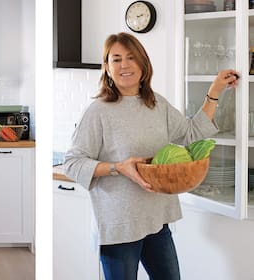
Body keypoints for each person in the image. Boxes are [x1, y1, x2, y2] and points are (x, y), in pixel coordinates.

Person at [63, 32, 239, 280]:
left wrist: (215, 91)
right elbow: (72, 162)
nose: (124, 65)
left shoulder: (157, 104)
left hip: (156, 219)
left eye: (131, 58)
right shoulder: (98, 111)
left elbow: (191, 132)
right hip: (120, 226)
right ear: (107, 67)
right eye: (116, 59)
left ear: (143, 65)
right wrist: (118, 168)